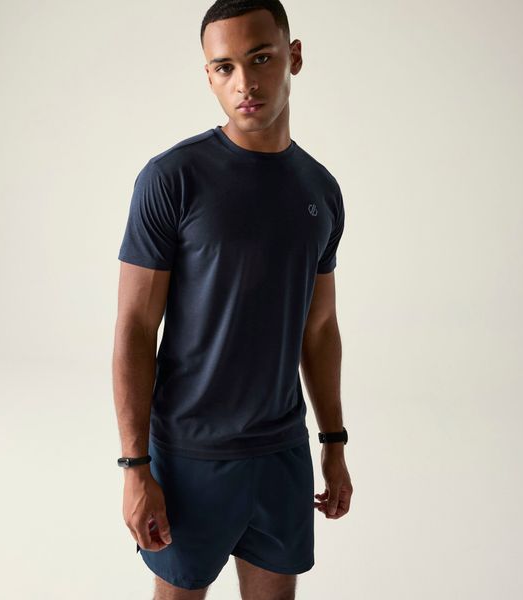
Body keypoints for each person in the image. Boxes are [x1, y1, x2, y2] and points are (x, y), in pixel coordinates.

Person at [112, 1, 353, 598]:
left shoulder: (321, 190)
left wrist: (333, 442)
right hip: (189, 456)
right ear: (209, 75)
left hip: (281, 452)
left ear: (293, 57)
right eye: (224, 67)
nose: (244, 82)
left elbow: (320, 327)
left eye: (261, 58)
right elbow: (135, 327)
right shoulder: (173, 179)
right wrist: (135, 467)